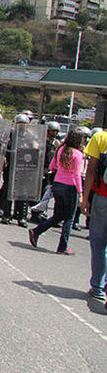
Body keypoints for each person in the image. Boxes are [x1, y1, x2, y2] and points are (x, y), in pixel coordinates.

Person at [28, 129, 86, 255]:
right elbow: (77, 175)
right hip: (70, 187)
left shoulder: (61, 149)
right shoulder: (77, 154)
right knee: (69, 218)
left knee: (58, 215)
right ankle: (62, 247)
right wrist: (80, 192)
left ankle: (36, 231)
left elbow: (51, 166)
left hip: (58, 184)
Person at [80, 128, 107, 303]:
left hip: (102, 198)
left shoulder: (100, 137)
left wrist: (85, 198)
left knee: (98, 242)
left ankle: (97, 285)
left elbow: (91, 170)